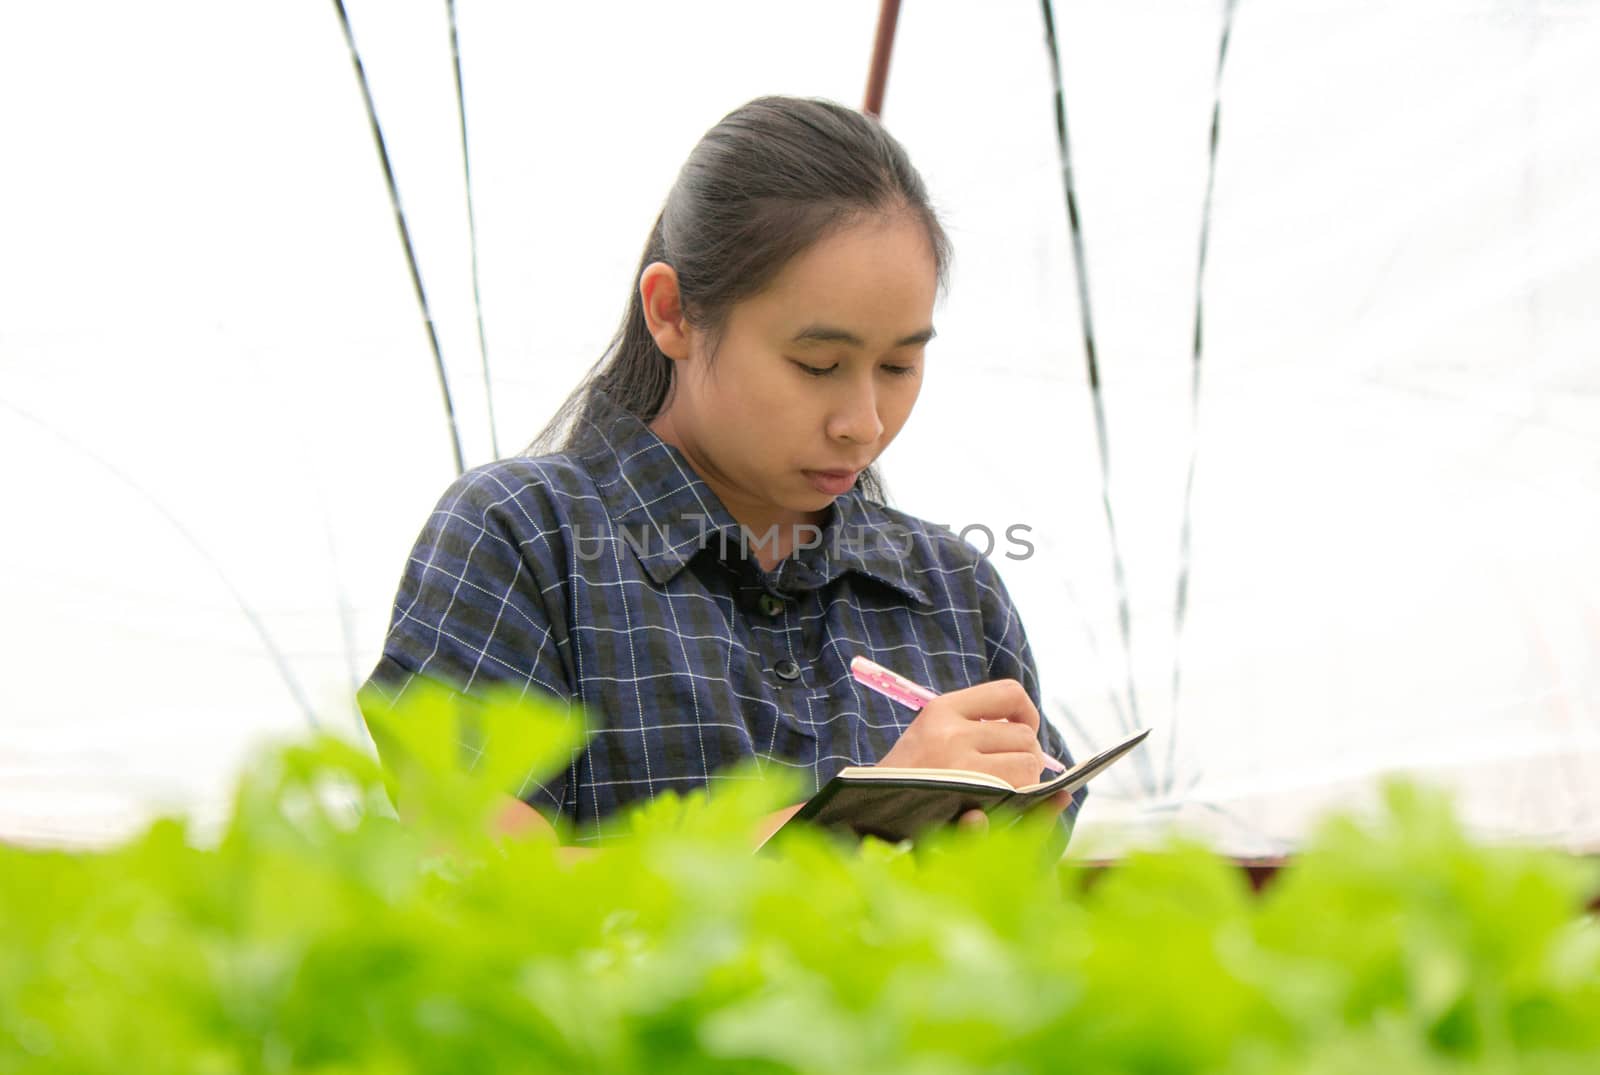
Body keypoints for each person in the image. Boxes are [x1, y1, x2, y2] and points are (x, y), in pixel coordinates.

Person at [359, 95, 1082, 852]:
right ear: (671, 313)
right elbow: (477, 882)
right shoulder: (521, 541)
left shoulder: (951, 592)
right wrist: (850, 825)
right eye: (818, 364)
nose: (862, 422)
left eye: (900, 363)